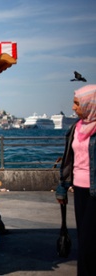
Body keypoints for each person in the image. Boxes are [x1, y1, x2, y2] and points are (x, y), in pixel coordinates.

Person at [56, 84, 96, 276]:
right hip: (79, 188)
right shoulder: (76, 127)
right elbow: (68, 159)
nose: (73, 108)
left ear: (90, 104)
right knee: (83, 236)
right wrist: (62, 186)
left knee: (89, 239)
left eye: (77, 103)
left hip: (94, 190)